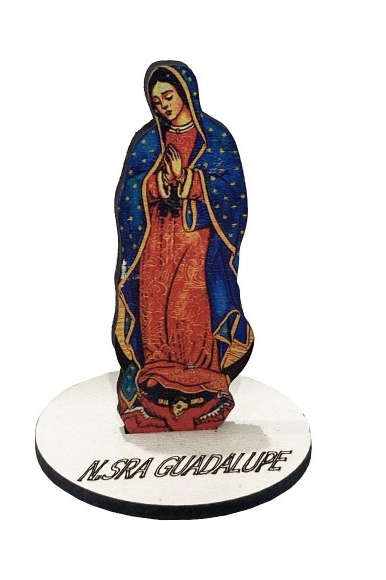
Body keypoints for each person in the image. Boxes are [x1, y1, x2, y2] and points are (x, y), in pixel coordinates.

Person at [113, 61, 253, 433]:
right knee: (156, 308)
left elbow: (233, 193)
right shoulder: (149, 141)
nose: (162, 106)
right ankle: (157, 380)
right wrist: (159, 182)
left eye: (168, 96)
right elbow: (128, 192)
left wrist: (190, 179)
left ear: (186, 93)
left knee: (189, 307)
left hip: (197, 242)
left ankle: (201, 382)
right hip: (156, 243)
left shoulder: (215, 137)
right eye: (156, 101)